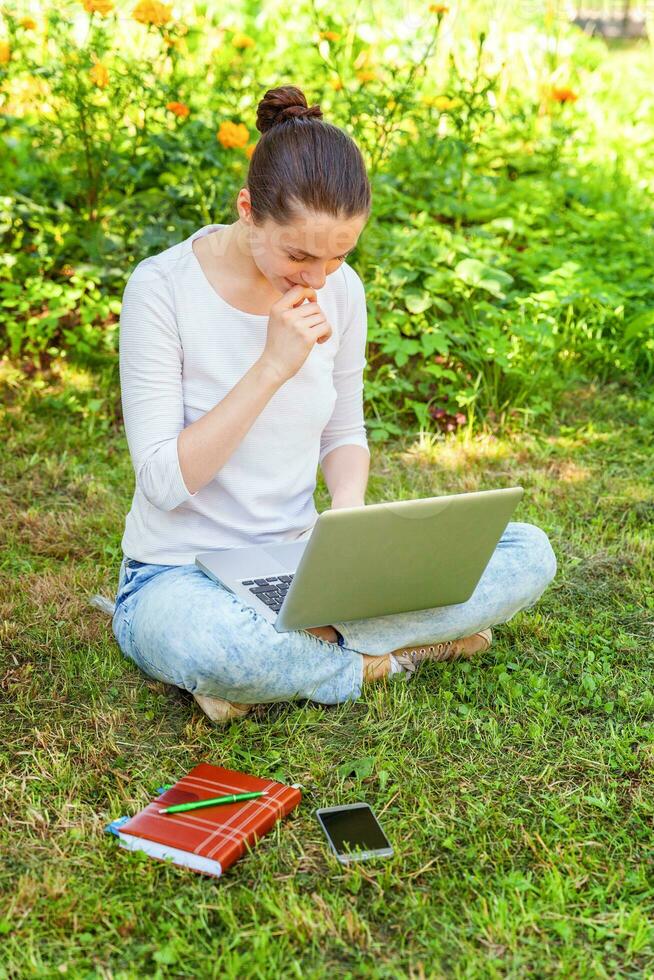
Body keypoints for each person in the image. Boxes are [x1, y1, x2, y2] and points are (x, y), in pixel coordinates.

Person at [111, 84, 557, 724]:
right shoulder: (162, 289)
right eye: (298, 255)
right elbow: (162, 484)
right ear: (248, 211)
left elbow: (343, 429)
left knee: (527, 551)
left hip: (302, 567)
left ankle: (295, 660)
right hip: (179, 574)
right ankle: (395, 655)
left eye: (340, 255)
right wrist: (271, 366)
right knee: (220, 646)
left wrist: (349, 530)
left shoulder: (339, 289)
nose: (319, 279)